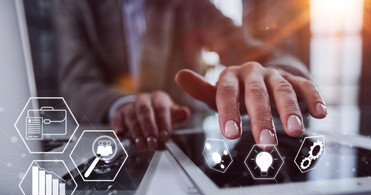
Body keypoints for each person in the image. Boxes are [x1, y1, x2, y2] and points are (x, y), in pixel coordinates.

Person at [54, 0, 327, 151]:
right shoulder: (75, 6)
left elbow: (262, 54)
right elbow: (77, 83)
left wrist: (276, 75)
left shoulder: (190, 6)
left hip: (185, 141)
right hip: (107, 145)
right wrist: (123, 105)